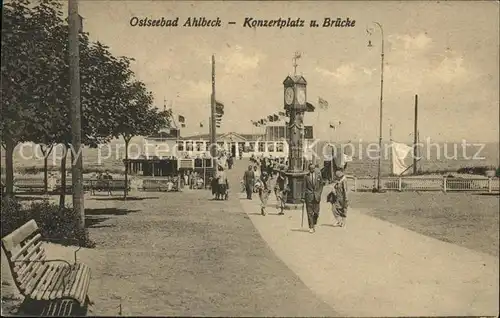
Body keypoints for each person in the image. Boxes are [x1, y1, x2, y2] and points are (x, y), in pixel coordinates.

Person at [303, 163, 325, 233]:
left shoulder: (318, 176)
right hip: (308, 196)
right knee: (309, 212)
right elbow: (303, 187)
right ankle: (311, 227)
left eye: (313, 168)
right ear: (309, 169)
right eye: (310, 168)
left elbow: (321, 185)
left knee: (316, 212)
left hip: (316, 196)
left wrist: (319, 193)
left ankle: (314, 222)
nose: (312, 170)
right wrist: (303, 197)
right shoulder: (306, 176)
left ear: (314, 168)